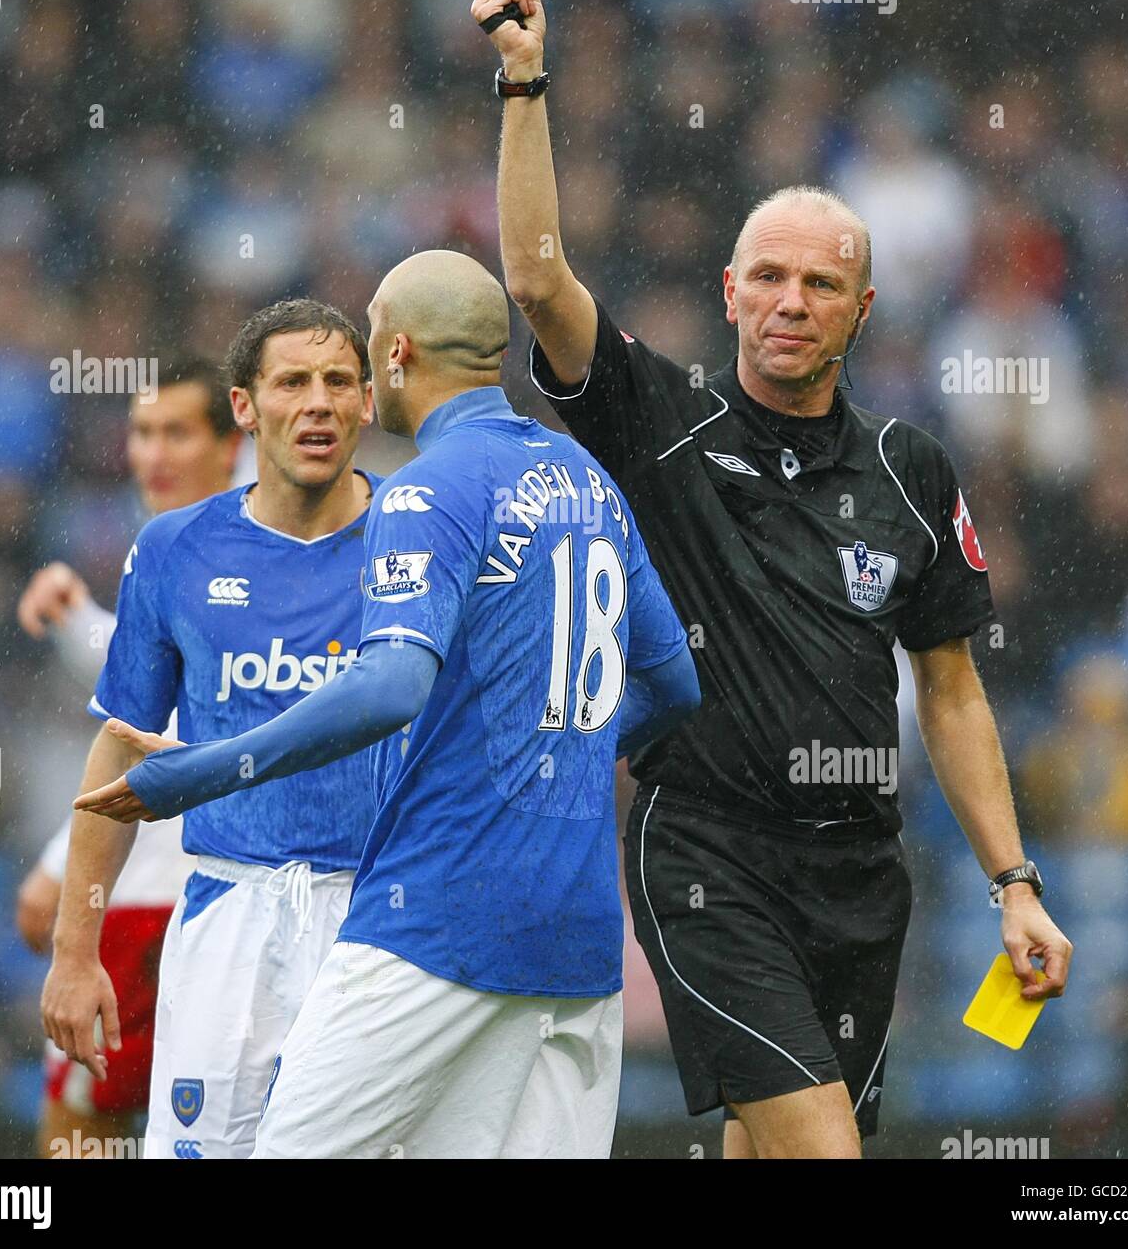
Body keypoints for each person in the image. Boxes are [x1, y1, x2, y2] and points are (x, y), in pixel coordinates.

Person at [471, 0, 1073, 1160]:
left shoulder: (912, 470)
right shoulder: (662, 420)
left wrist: (1016, 880)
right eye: (770, 278)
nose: (791, 301)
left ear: (863, 310)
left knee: (774, 1148)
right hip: (705, 850)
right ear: (730, 291)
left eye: (820, 283)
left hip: (861, 867)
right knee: (819, 1150)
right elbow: (536, 278)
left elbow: (951, 692)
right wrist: (525, 81)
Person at [77, 250, 700, 1159]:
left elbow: (390, 685)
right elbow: (675, 682)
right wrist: (540, 754)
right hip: (576, 941)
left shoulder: (425, 489)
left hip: (437, 919)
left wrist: (195, 774)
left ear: (395, 353)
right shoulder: (584, 475)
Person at [42, 300, 380, 1160]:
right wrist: (76, 954)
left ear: (369, 403)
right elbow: (121, 743)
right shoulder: (173, 550)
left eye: (339, 380)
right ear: (244, 406)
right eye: (292, 382)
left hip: (380, 917)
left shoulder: (420, 539)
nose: (318, 403)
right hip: (229, 907)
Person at [17, 354, 240, 1157]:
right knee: (84, 1138)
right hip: (142, 903)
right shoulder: (166, 550)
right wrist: (79, 616)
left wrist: (57, 864)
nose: (153, 454)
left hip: (199, 904)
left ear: (233, 439)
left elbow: (173, 725)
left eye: (176, 432)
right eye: (142, 433)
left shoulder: (249, 547)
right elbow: (144, 689)